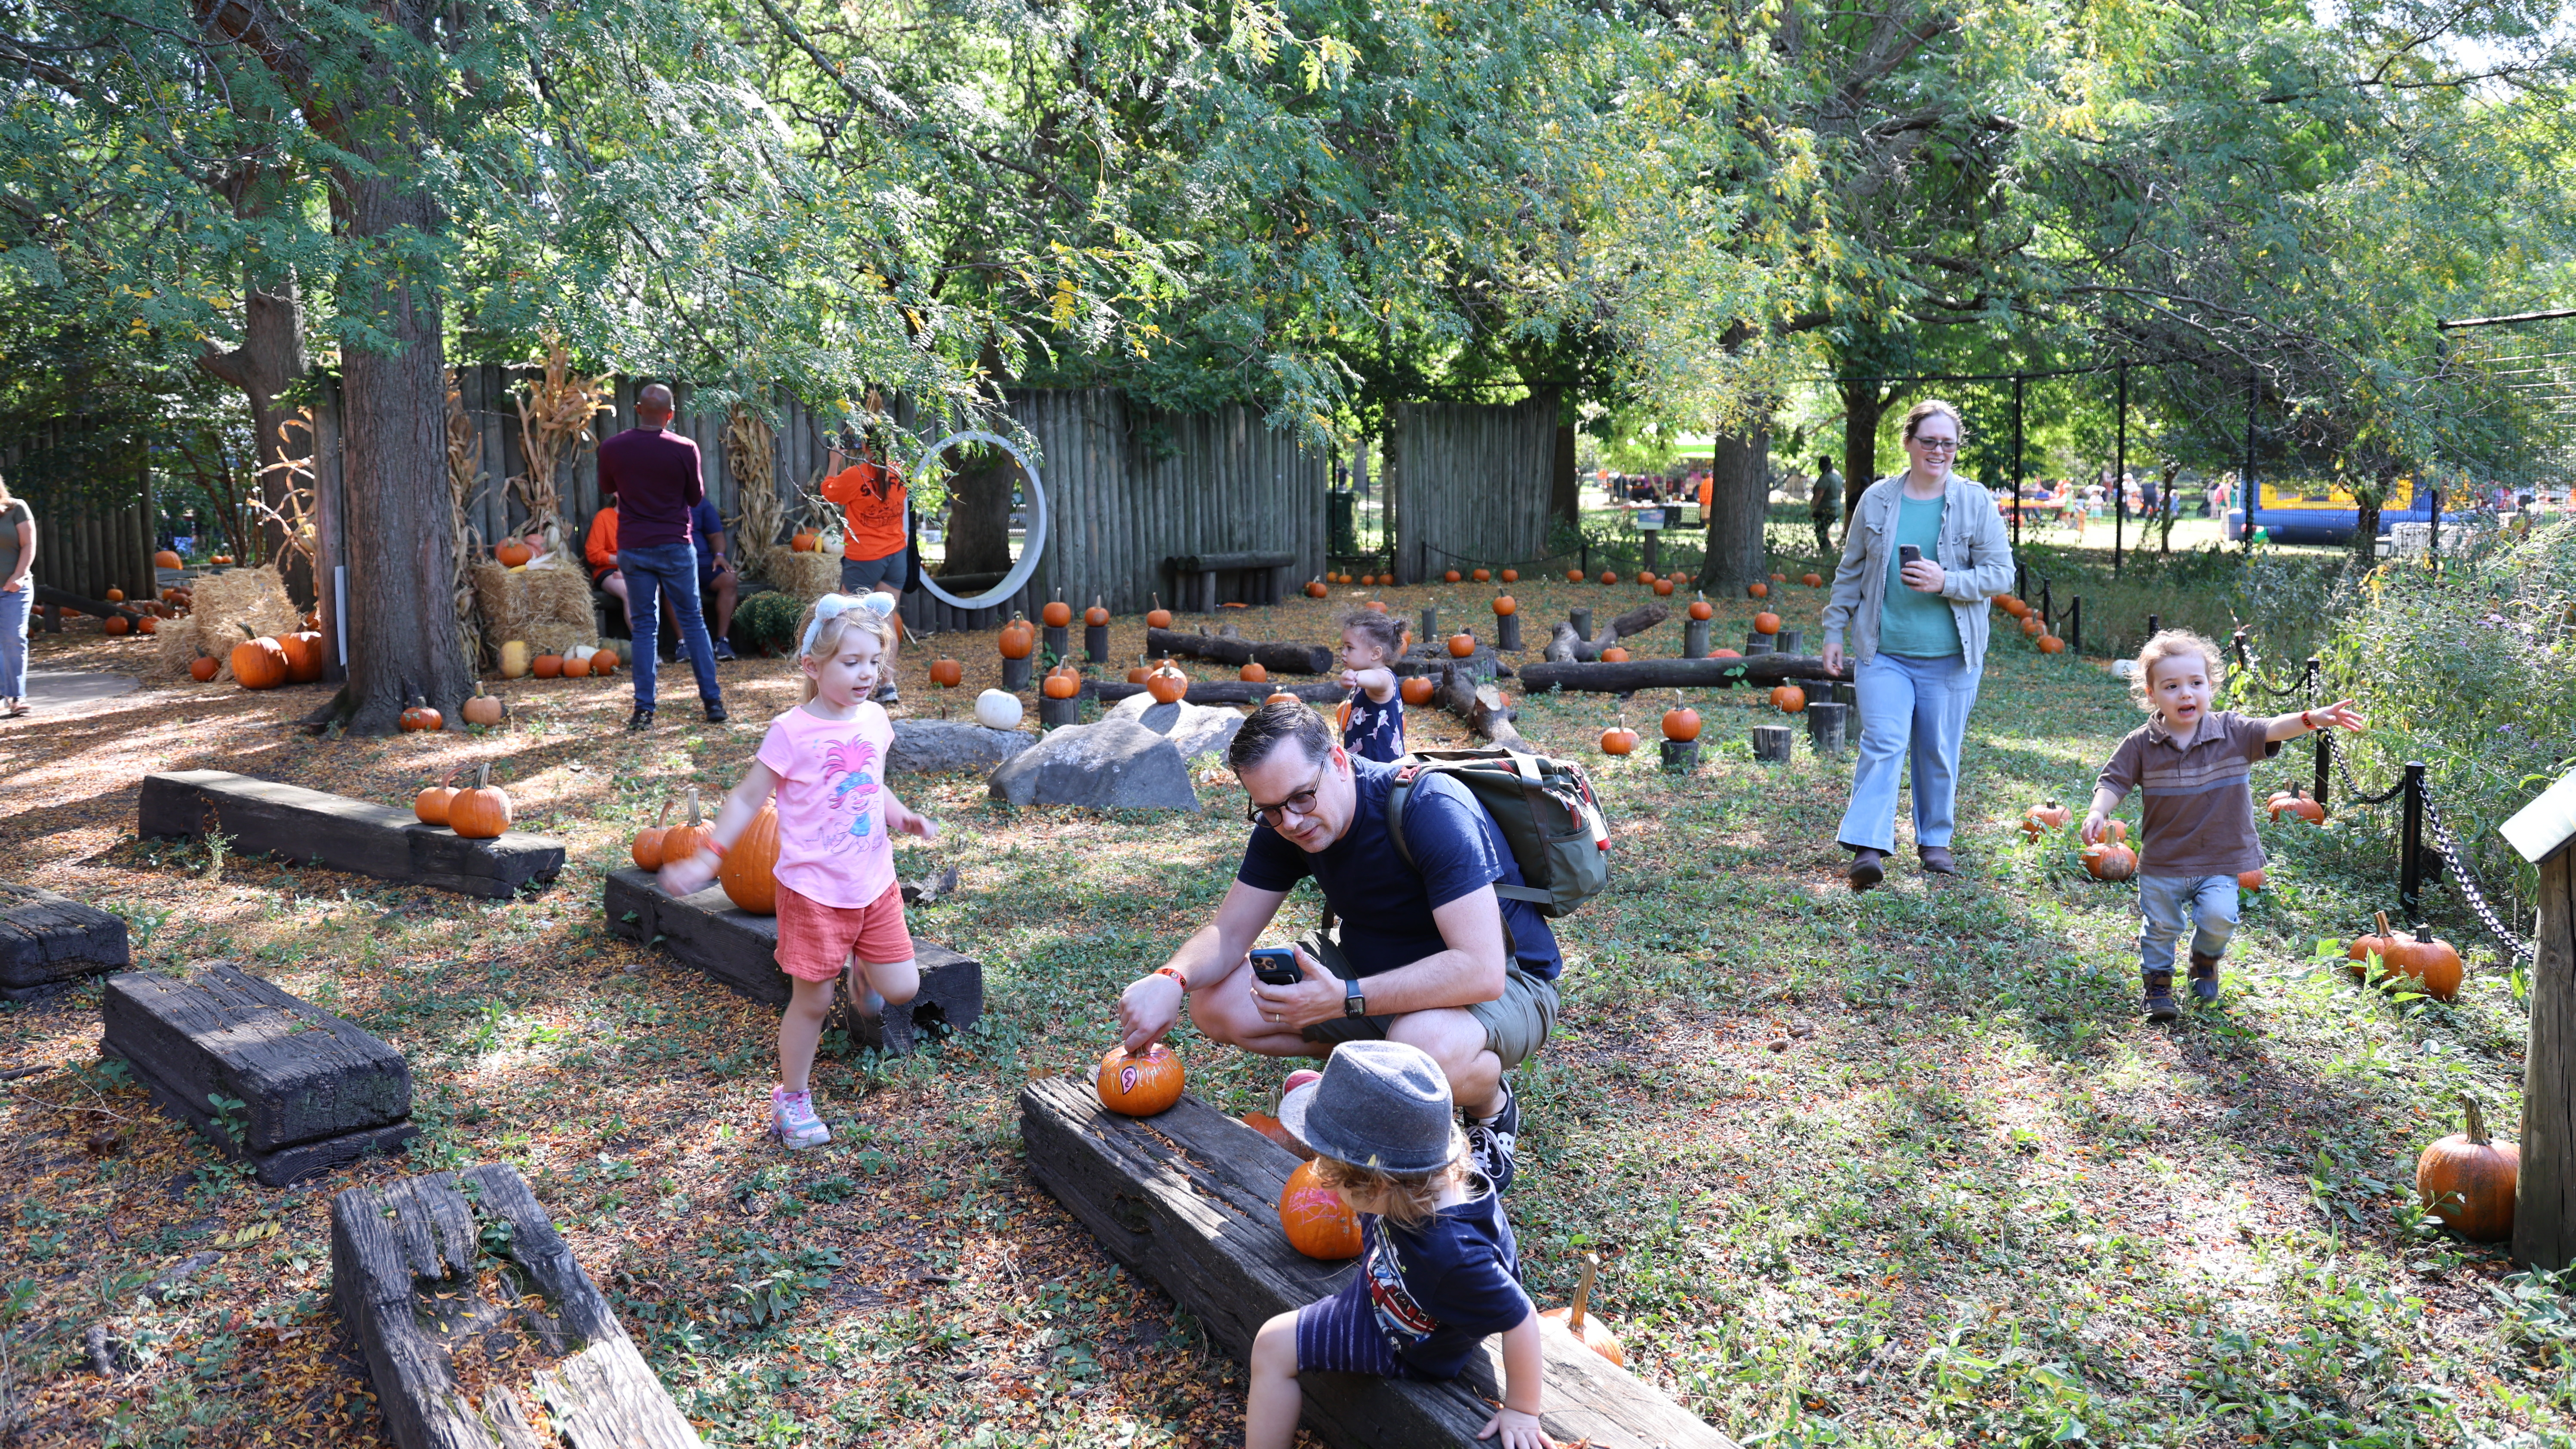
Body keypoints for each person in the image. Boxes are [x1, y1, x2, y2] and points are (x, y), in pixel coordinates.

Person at [1115, 701, 1561, 1192]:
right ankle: (1361, 1075)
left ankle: (1490, 1105)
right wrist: (1170, 978)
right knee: (1216, 1003)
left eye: (1301, 797)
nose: (1291, 821)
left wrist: (1346, 998)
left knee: (1420, 1048)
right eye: (1270, 809)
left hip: (1508, 981)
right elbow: (1229, 933)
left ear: (1339, 761)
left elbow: (1481, 970)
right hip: (1371, 971)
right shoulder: (1285, 821)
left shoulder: (1430, 806)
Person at [657, 596, 940, 1146]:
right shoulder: (791, 731)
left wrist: (899, 813)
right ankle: (792, 1099)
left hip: (874, 883)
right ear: (813, 666)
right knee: (812, 1001)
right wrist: (709, 855)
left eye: (874, 661)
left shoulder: (875, 718)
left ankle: (862, 969)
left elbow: (869, 781)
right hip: (814, 893)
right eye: (851, 662)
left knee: (903, 988)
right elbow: (748, 797)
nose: (867, 674)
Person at [1244, 1041, 1546, 1449]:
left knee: (1271, 1346)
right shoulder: (1418, 1177)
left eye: (1334, 1179)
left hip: (1399, 1336)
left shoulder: (1453, 1256)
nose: (1326, 1185)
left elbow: (1521, 1318)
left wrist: (1523, 1409)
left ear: (1378, 1185)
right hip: (1392, 1283)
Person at [2083, 632, 2364, 1020]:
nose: (2186, 693)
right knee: (2161, 927)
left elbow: (2272, 728)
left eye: (2195, 683)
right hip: (2163, 861)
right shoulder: (2141, 744)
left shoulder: (2232, 732)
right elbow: (2114, 781)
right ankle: (2158, 987)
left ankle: (2204, 964)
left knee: (2220, 917)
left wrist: (2310, 719)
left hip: (2219, 857)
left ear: (2210, 686)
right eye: (2171, 686)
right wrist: (2098, 811)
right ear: (2152, 694)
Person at [1820, 400, 2013, 891]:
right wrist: (1834, 630)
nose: (1938, 451)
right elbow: (1851, 570)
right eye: (1929, 441)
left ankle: (1934, 842)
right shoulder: (1877, 500)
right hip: (1884, 651)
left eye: (1948, 443)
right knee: (1883, 741)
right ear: (1908, 442)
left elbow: (2001, 575)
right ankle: (1868, 846)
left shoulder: (1975, 502)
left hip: (1952, 657)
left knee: (1938, 751)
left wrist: (1946, 580)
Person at [597, 383, 727, 730]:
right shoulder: (685, 448)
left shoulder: (612, 447)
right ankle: (713, 703)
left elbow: (607, 487)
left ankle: (644, 710)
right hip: (674, 545)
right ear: (670, 415)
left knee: (644, 627)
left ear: (639, 409)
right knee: (694, 622)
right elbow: (696, 497)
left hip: (634, 547)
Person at [821, 430, 908, 704]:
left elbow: (828, 493)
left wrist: (835, 461)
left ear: (863, 445)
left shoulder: (855, 475)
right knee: (888, 621)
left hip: (864, 558)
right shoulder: (900, 471)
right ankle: (888, 685)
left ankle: (848, 684)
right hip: (896, 555)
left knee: (847, 620)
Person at [1335, 608, 1408, 762]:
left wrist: (1354, 677)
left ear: (1375, 654)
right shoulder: (1367, 677)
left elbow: (1376, 680)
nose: (1343, 652)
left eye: (1350, 648)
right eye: (1343, 647)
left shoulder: (1384, 678)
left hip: (1380, 765)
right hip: (1365, 762)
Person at [689, 496, 740, 661]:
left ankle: (722, 642)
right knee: (669, 584)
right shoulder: (658, 502)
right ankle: (683, 644)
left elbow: (716, 535)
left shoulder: (699, 503)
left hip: (704, 563)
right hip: (674, 563)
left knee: (729, 580)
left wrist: (719, 555)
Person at [0, 473, 31, 718]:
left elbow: (28, 544)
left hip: (14, 588)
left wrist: (19, 575)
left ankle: (16, 696)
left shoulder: (16, 508)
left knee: (13, 638)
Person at [1810, 455, 1844, 555]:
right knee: (1824, 532)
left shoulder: (1825, 478)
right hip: (1836, 509)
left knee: (1821, 533)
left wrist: (1813, 508)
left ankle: (1828, 554)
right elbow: (1841, 492)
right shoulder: (1838, 478)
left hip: (1824, 510)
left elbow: (1819, 494)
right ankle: (1829, 554)